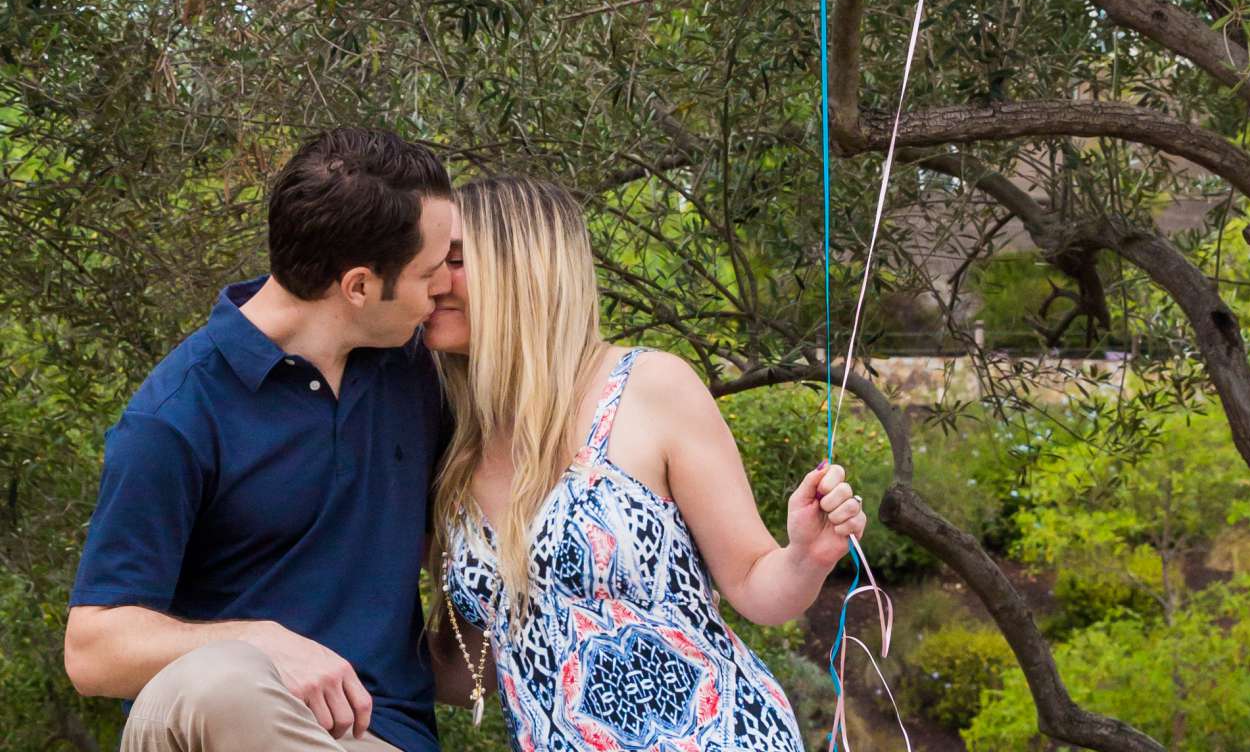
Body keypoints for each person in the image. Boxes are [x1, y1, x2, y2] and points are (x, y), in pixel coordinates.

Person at [425, 174, 866, 752]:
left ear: (519, 270)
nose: (430, 280)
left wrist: (807, 555)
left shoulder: (647, 387)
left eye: (453, 260)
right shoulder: (450, 442)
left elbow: (757, 587)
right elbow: (475, 671)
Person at [65, 126, 456, 752]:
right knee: (226, 681)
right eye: (430, 272)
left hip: (378, 736)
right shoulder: (177, 415)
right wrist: (257, 640)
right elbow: (92, 649)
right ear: (358, 286)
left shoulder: (417, 371)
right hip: (223, 724)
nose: (443, 290)